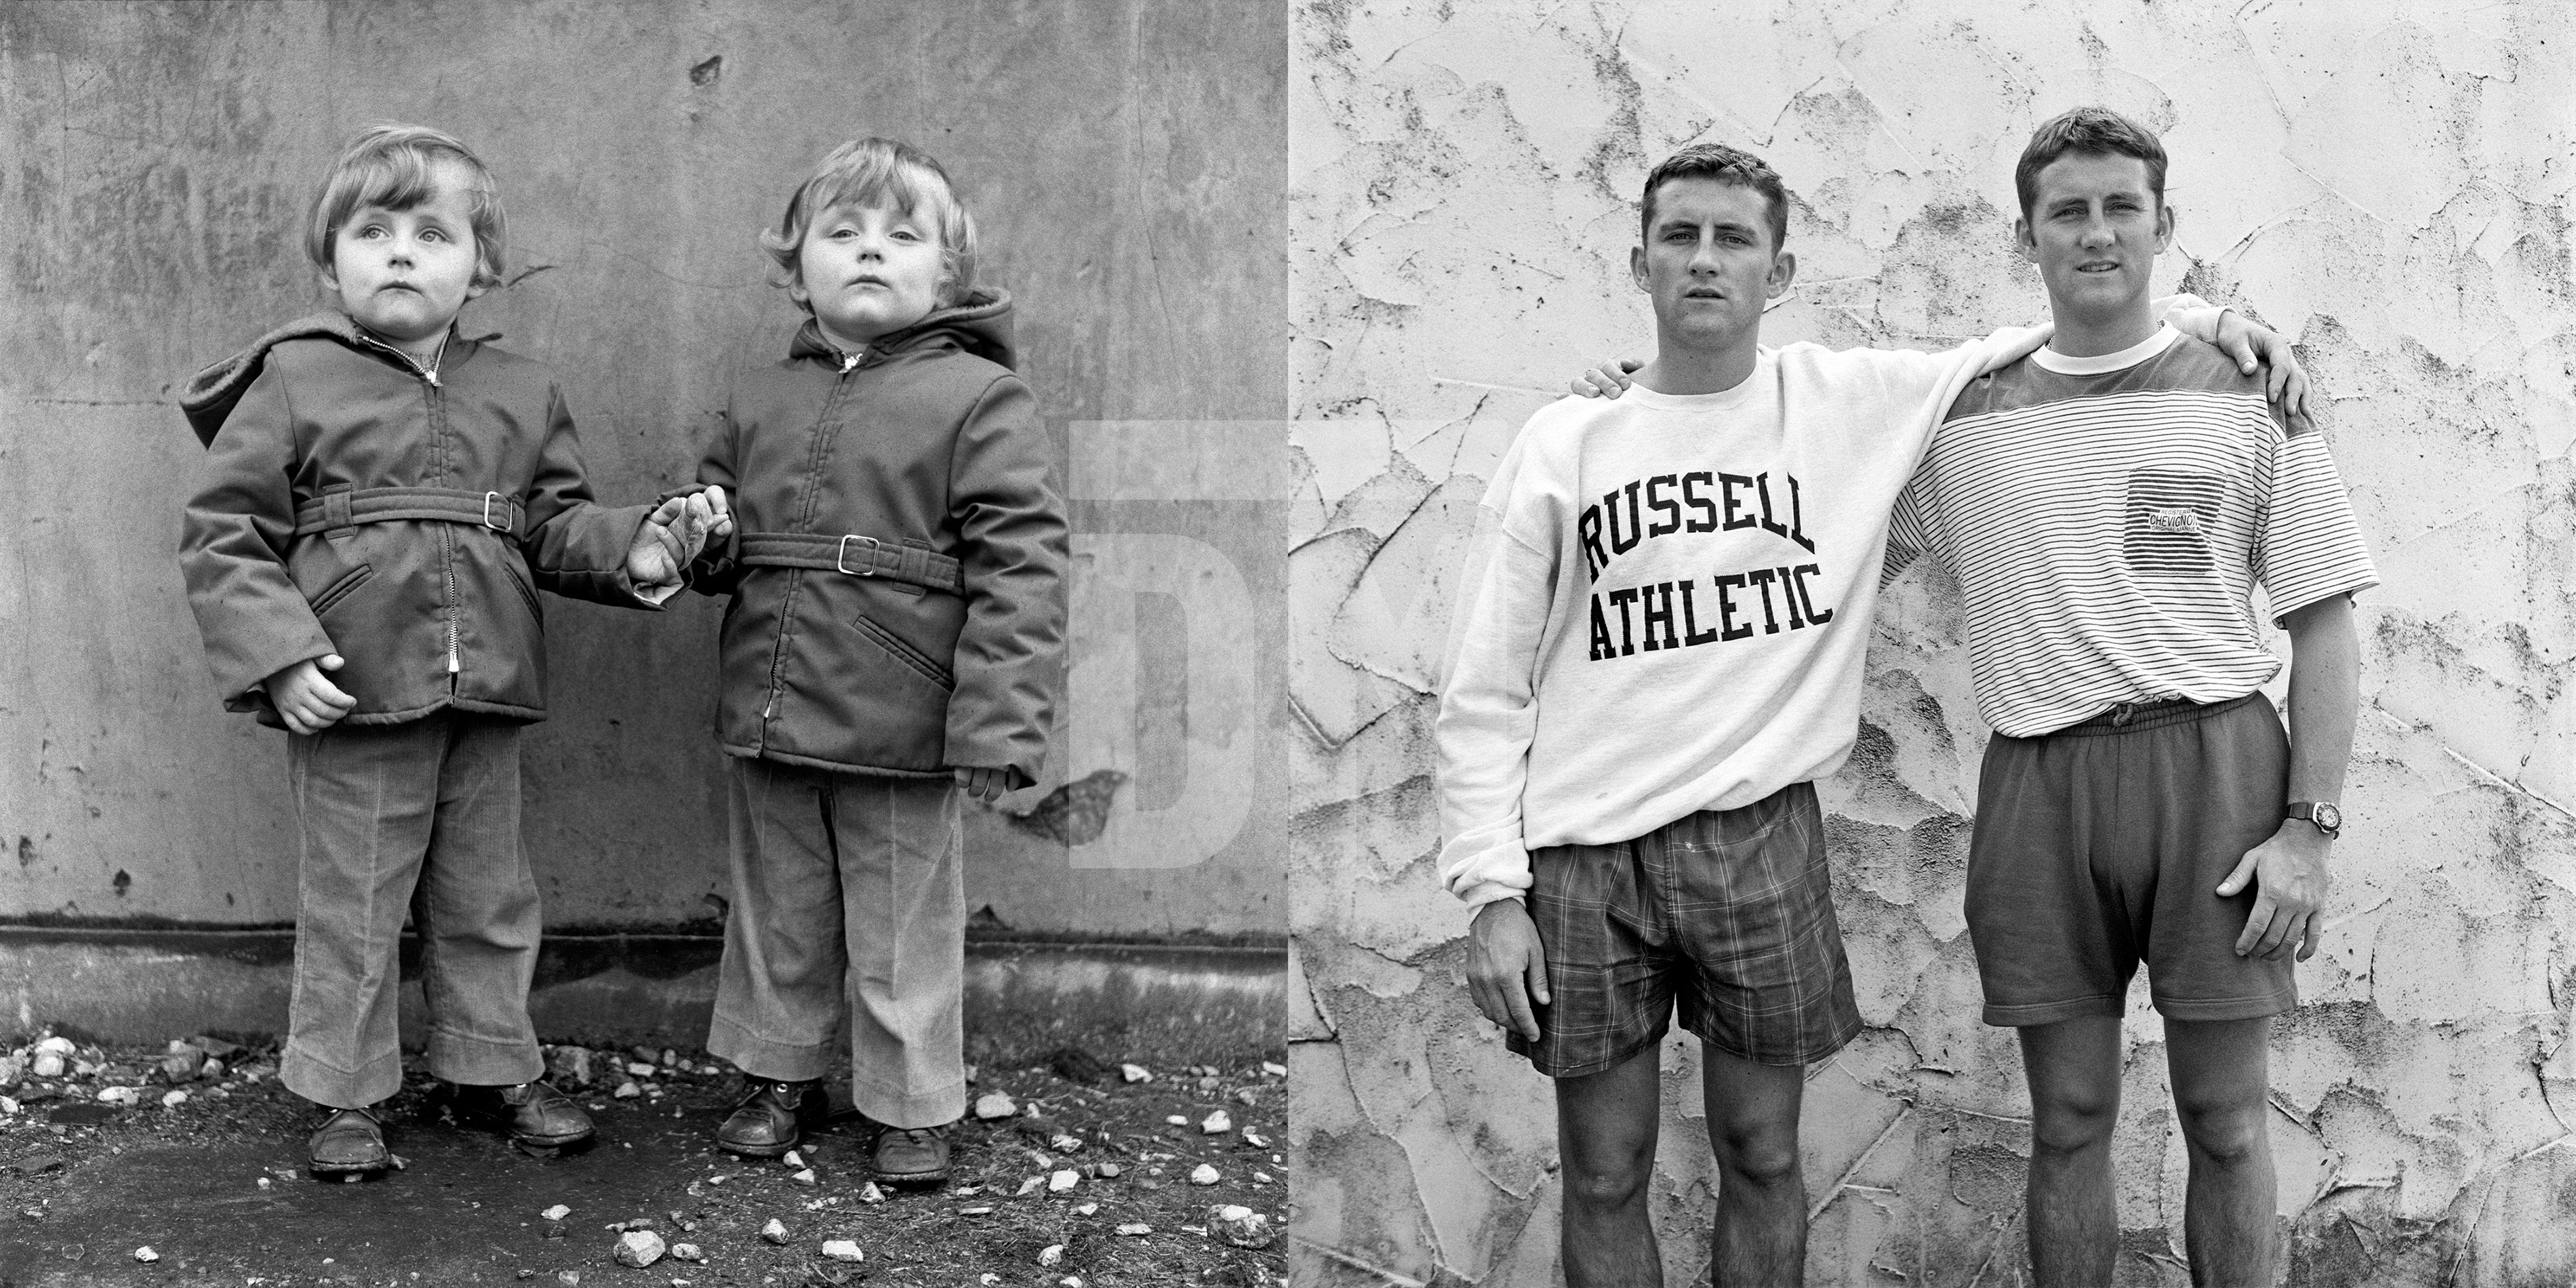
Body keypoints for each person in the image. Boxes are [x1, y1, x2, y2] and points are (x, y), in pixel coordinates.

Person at [1443, 142, 2304, 1286]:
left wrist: (2207, 319)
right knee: (1602, 1170)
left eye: (1734, 238)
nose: (1705, 261)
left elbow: (2046, 331)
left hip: (1760, 836)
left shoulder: (1842, 407)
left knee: (1761, 1150)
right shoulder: (1564, 444)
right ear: (1639, 260)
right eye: (1680, 237)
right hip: (1583, 853)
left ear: (1781, 272)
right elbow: (1485, 686)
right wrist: (1491, 888)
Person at [1874, 107, 2372, 1285]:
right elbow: (1800, 481)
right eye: (2069, 211)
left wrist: (2310, 827)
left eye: (2120, 207)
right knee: (2069, 1121)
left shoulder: (2250, 392)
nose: (2096, 233)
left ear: (2163, 223)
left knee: (2227, 1120)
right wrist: (1633, 399)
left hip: (2217, 774)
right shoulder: (1957, 419)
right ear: (2029, 233)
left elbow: (2325, 624)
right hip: (2040, 776)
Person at [177, 123, 724, 1175]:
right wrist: (282, 657)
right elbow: (223, 535)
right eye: (371, 230)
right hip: (354, 687)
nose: (398, 252)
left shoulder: (520, 390)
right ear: (327, 256)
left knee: (488, 896)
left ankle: (488, 1069)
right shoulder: (292, 379)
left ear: (483, 266)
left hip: (489, 691)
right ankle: (345, 1092)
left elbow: (553, 526)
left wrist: (643, 546)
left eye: (432, 234)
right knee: (356, 904)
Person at [681, 138, 1067, 1188]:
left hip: (905, 716)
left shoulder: (981, 399)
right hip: (771, 697)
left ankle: (910, 1101)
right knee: (778, 914)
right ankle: (777, 1074)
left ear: (947, 271)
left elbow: (1023, 574)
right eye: (841, 232)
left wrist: (997, 727)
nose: (869, 252)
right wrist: (702, 539)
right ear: (794, 262)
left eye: (903, 235)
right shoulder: (761, 395)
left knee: (905, 927)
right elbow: (722, 534)